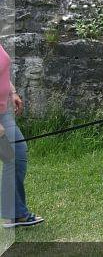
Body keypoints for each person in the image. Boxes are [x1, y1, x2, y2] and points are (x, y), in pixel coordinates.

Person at [0, 43, 44, 228]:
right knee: (13, 156)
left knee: (17, 155)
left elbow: (3, 70)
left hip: (4, 112)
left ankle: (16, 213)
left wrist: (12, 92)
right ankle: (16, 213)